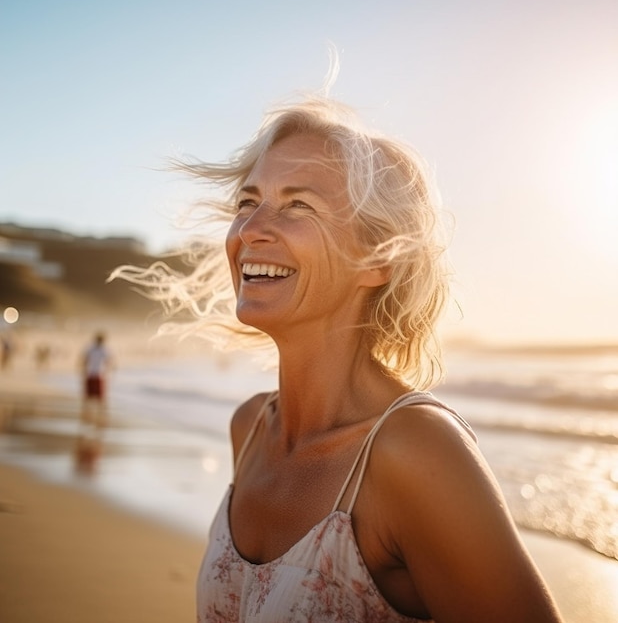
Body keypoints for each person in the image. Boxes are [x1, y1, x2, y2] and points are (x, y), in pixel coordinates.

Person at [115, 96, 563, 622]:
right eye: (247, 202)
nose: (251, 229)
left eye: (298, 205)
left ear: (380, 258)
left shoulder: (414, 452)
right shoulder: (252, 428)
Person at [75, 331, 113, 472]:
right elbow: (109, 361)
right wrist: (109, 369)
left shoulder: (91, 348)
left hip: (92, 374)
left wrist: (83, 369)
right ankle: (99, 416)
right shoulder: (103, 349)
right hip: (97, 375)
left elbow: (84, 359)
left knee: (90, 397)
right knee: (98, 397)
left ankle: (88, 415)